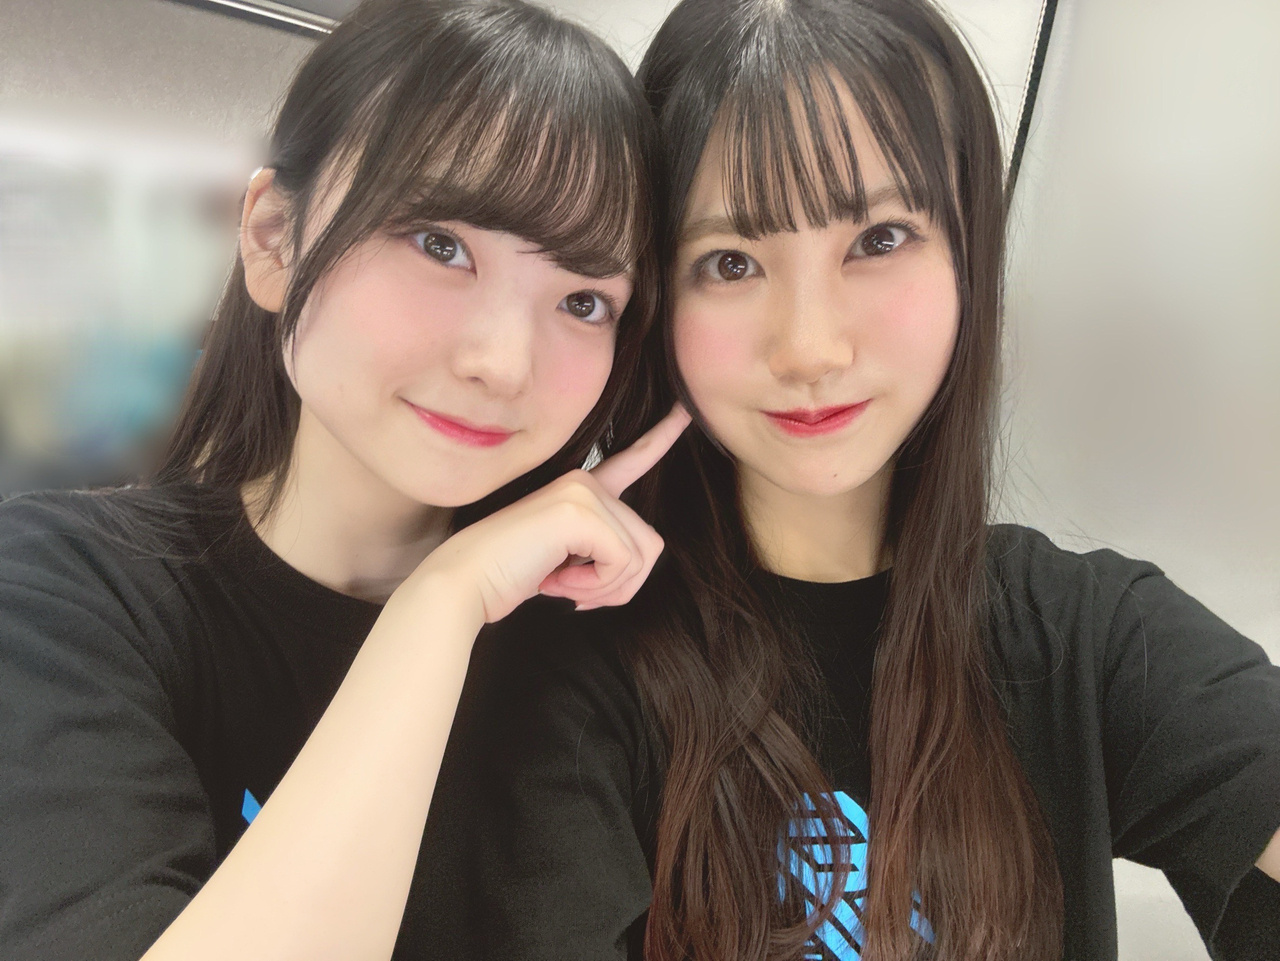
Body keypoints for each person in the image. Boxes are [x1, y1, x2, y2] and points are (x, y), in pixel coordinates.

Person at [411, 0, 1280, 958]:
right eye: (731, 261)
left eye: (879, 240)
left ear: (969, 252)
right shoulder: (567, 667)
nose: (810, 347)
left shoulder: (1084, 635)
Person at [0, 1, 691, 959]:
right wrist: (440, 602)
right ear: (272, 238)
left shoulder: (596, 653)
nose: (503, 363)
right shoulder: (61, 596)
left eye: (583, 300)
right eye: (441, 244)